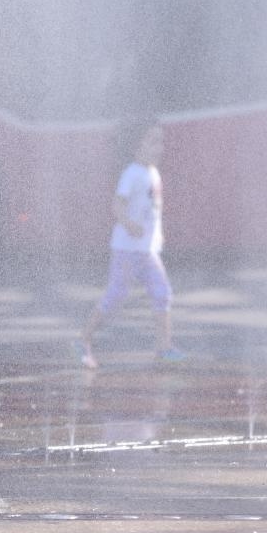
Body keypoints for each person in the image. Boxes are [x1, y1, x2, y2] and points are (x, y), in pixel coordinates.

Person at [74, 119, 185, 369]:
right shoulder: (132, 173)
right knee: (116, 296)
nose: (159, 147)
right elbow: (117, 204)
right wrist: (127, 223)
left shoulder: (153, 173)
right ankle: (83, 340)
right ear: (136, 146)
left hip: (147, 251)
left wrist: (159, 236)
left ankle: (164, 348)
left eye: (161, 141)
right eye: (152, 141)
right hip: (127, 250)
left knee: (162, 293)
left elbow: (153, 211)